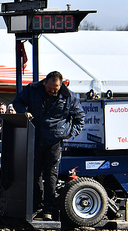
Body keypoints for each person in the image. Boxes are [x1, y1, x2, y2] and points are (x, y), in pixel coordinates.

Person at [13, 71, 85, 221]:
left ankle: (48, 209)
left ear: (62, 84)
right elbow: (17, 102)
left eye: (56, 89)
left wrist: (72, 133)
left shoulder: (70, 97)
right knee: (34, 173)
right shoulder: (32, 89)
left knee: (51, 175)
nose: (53, 91)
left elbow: (80, 118)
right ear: (45, 82)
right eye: (50, 88)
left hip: (54, 140)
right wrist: (23, 112)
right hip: (35, 136)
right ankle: (36, 206)